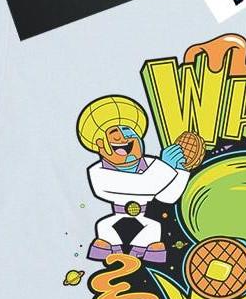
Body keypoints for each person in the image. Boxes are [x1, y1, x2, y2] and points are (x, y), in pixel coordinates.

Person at [77, 96, 187, 265]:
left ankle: (139, 259)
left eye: (129, 133)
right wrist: (166, 167)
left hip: (143, 217)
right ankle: (111, 255)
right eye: (114, 135)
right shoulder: (98, 172)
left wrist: (181, 171)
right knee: (105, 228)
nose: (123, 139)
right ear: (100, 145)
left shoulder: (151, 164)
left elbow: (167, 197)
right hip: (116, 217)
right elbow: (142, 186)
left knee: (153, 229)